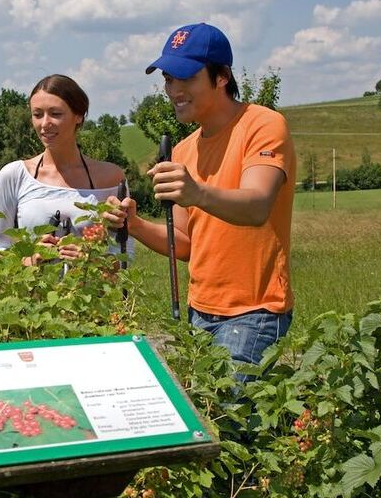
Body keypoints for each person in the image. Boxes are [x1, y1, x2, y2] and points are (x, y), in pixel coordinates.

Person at [104, 23, 295, 376]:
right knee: (208, 418)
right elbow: (186, 244)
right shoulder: (184, 150)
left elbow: (257, 206)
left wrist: (197, 192)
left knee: (225, 417)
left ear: (221, 77)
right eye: (167, 78)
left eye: (185, 77)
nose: (173, 89)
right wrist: (135, 225)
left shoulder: (263, 126)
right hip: (199, 310)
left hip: (254, 310)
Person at [0, 74, 133, 265]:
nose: (45, 124)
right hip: (32, 293)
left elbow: (124, 253)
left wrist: (90, 261)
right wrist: (28, 261)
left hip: (91, 292)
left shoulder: (111, 177)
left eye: (55, 114)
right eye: (37, 114)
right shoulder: (14, 175)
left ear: (78, 116)